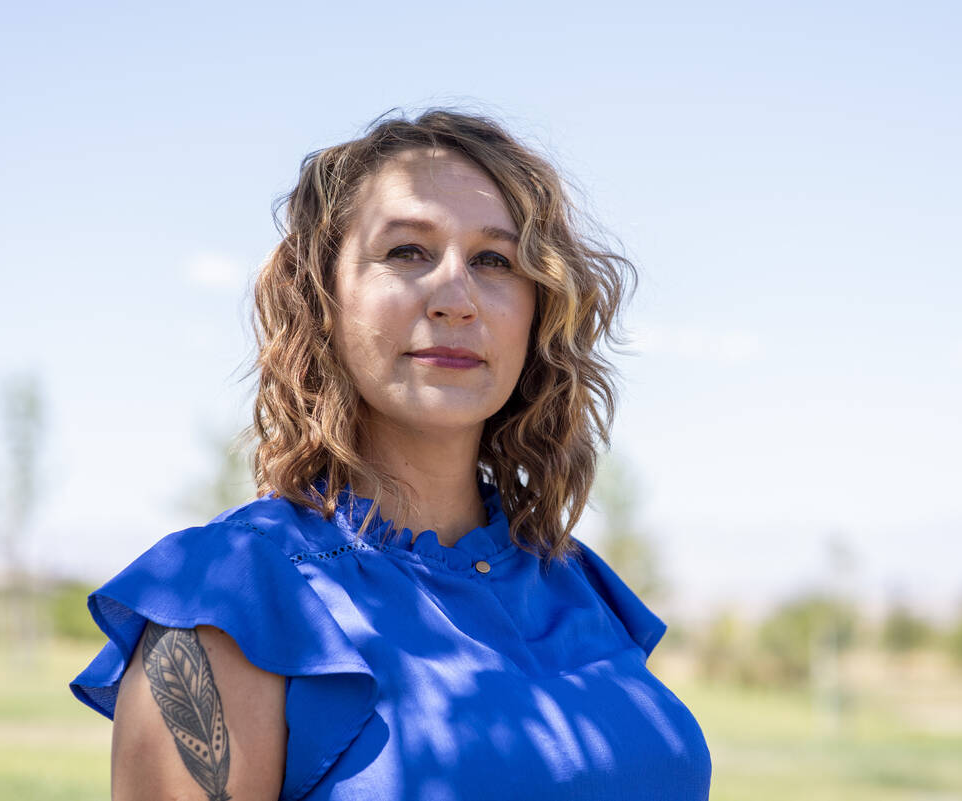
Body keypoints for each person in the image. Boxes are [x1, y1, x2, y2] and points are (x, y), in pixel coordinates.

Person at [71, 109, 712, 801]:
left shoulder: (574, 582)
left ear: (538, 311)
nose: (456, 297)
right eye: (408, 251)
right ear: (323, 297)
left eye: (495, 259)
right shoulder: (230, 596)